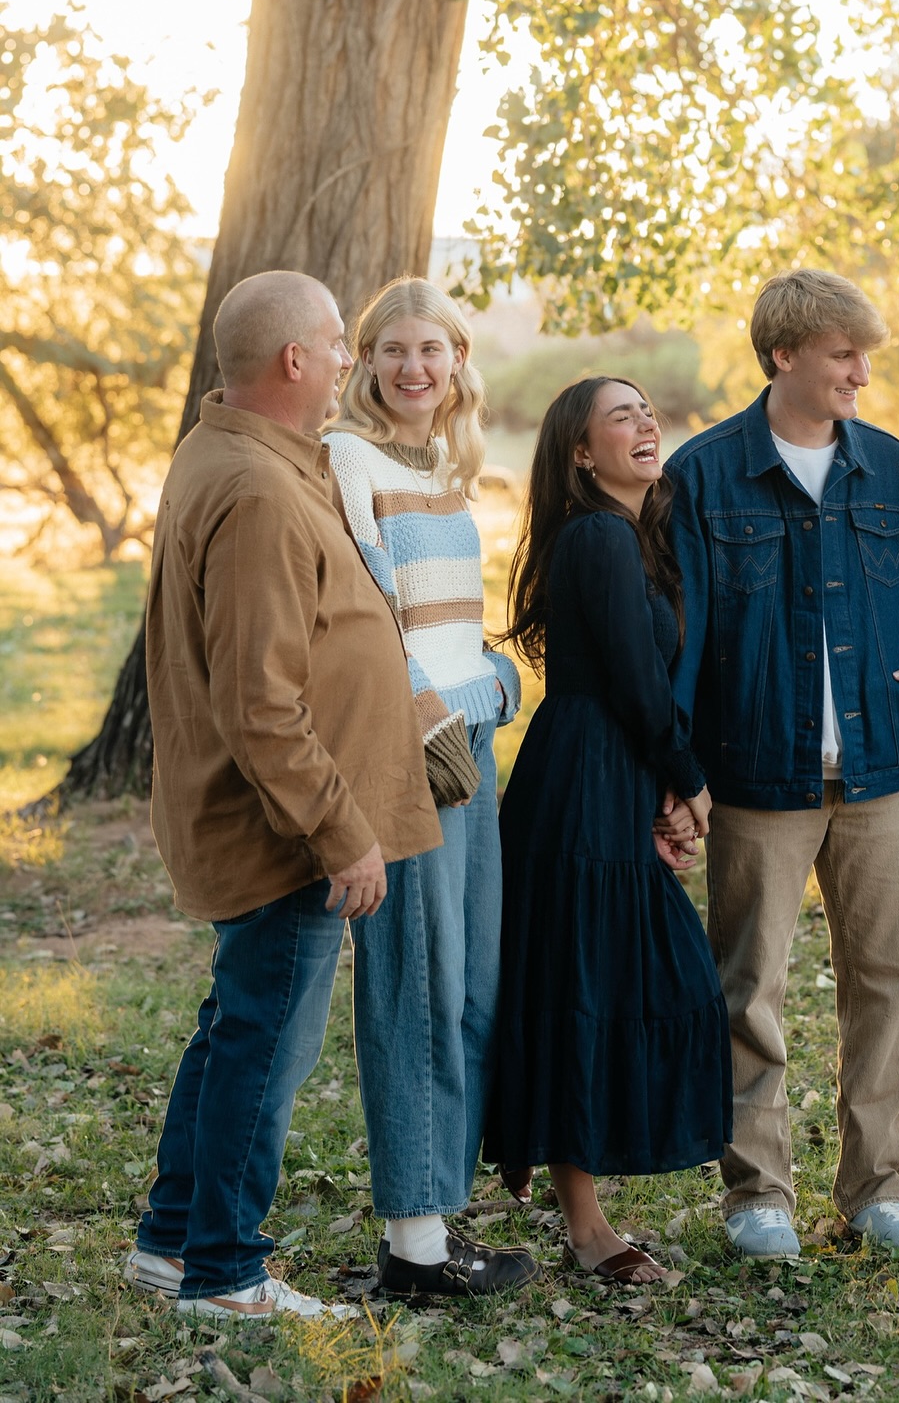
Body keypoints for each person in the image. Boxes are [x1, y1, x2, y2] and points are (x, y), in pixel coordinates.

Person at [125, 271, 442, 1319]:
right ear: (295, 362)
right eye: (338, 344)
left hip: (271, 816)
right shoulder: (257, 489)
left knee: (234, 1027)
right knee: (264, 1044)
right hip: (281, 829)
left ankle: (172, 1241)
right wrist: (341, 833)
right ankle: (225, 1272)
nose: (352, 360)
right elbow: (262, 702)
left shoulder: (243, 455)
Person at [667, 270, 899, 1259]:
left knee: (883, 982)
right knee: (750, 988)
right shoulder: (704, 475)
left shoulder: (888, 467)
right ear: (784, 355)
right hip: (756, 777)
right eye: (844, 355)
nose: (863, 375)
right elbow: (684, 638)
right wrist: (682, 769)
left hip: (882, 773)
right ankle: (759, 1197)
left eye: (865, 355)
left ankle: (876, 1192)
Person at [484, 376, 732, 1284]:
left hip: (612, 773)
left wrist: (659, 791)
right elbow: (634, 679)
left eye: (646, 411)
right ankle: (586, 1230)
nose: (645, 423)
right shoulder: (594, 534)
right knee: (589, 986)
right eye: (618, 416)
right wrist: (689, 783)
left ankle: (547, 1153)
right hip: (583, 777)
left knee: (623, 979)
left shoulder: (638, 538)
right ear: (581, 454)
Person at [325, 277, 535, 1299]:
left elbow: (453, 628)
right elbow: (365, 619)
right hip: (411, 758)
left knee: (472, 984)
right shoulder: (347, 459)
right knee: (415, 984)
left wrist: (499, 678)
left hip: (469, 745)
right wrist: (431, 721)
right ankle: (413, 1239)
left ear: (458, 359)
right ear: (365, 363)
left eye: (431, 350)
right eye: (392, 351)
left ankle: (439, 1219)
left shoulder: (446, 470)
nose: (413, 368)